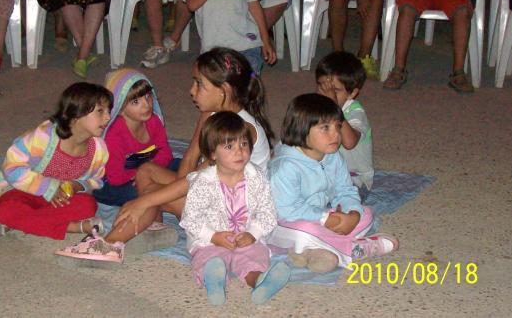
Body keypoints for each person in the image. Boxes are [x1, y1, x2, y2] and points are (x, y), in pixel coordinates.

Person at [107, 48, 275, 247]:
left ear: (224, 90)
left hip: (234, 214)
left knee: (151, 196)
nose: (192, 90)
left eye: (199, 84)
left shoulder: (237, 131)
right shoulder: (210, 114)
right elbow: (188, 167)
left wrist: (145, 201)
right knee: (146, 171)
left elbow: (194, 179)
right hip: (210, 189)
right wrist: (167, 194)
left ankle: (108, 244)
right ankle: (154, 227)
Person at [268, 93, 398, 273]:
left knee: (366, 214)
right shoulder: (286, 166)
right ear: (301, 128)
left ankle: (317, 251)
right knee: (305, 231)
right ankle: (354, 249)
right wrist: (325, 219)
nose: (336, 134)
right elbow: (286, 210)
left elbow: (345, 190)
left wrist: (352, 213)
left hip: (320, 216)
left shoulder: (333, 156)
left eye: (337, 126)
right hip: (283, 223)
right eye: (325, 128)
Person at [0, 82, 112, 239]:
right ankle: (74, 227)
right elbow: (11, 167)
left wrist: (77, 185)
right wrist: (47, 188)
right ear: (76, 113)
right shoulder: (43, 136)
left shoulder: (99, 150)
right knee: (2, 210)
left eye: (108, 111)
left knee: (88, 206)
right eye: (100, 111)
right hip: (27, 191)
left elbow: (96, 180)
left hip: (62, 199)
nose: (108, 117)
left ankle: (22, 221)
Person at [180, 111, 289, 306]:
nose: (239, 152)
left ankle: (259, 281)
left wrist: (253, 233)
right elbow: (191, 218)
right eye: (229, 146)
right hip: (211, 240)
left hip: (245, 237)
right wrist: (213, 236)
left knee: (254, 256)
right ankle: (214, 280)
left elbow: (268, 211)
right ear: (212, 153)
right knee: (210, 258)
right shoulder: (203, 182)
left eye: (244, 144)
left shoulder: (256, 177)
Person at [92, 68, 173, 207]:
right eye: (135, 102)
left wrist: (150, 172)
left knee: (182, 167)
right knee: (139, 192)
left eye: (148, 96)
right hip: (113, 182)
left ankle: (162, 192)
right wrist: (144, 175)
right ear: (119, 108)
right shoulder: (114, 134)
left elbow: (165, 153)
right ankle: (162, 194)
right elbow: (115, 177)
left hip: (146, 169)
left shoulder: (154, 121)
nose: (146, 105)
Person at [316, 51, 373, 200]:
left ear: (352, 93)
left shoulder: (355, 112)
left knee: (343, 201)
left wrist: (334, 107)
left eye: (335, 91)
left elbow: (349, 143)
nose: (326, 95)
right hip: (325, 174)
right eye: (322, 87)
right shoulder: (316, 108)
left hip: (354, 179)